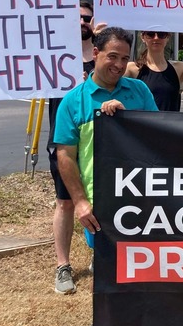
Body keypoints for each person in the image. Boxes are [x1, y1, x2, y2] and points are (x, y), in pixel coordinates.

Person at [0, 0, 97, 294]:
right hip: (64, 141)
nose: (82, 22)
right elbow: (14, 66)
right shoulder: (49, 53)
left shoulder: (100, 56)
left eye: (87, 18)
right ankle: (63, 266)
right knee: (66, 203)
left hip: (97, 143)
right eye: (76, 17)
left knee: (101, 199)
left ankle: (99, 256)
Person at [54, 27, 158, 250]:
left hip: (143, 196)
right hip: (99, 201)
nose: (119, 65)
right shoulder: (72, 102)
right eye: (112, 56)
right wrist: (81, 202)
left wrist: (126, 118)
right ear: (95, 53)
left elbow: (157, 137)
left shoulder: (140, 91)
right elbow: (65, 157)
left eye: (124, 58)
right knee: (106, 263)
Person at [122, 23, 183, 111]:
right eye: (150, 34)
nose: (156, 38)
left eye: (161, 34)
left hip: (169, 129)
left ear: (167, 37)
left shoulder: (179, 68)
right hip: (142, 129)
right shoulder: (132, 69)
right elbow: (108, 81)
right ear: (143, 37)